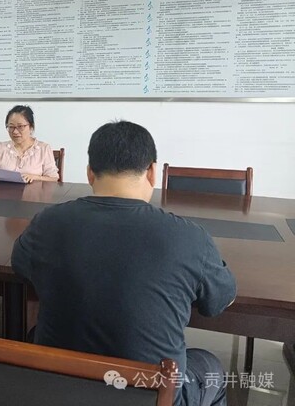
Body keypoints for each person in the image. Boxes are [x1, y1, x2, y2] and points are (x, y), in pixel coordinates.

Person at [12, 120, 236, 406]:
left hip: (59, 389)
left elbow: (21, 266)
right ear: (152, 172)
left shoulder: (46, 223)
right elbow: (219, 301)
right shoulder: (190, 237)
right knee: (209, 366)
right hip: (150, 396)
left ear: (90, 173)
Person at [0, 105, 59, 183]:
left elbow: (53, 178)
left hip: (34, 193)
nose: (15, 131)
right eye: (11, 127)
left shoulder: (44, 149)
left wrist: (35, 177)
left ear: (31, 127)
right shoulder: (2, 147)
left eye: (20, 126)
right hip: (5, 192)